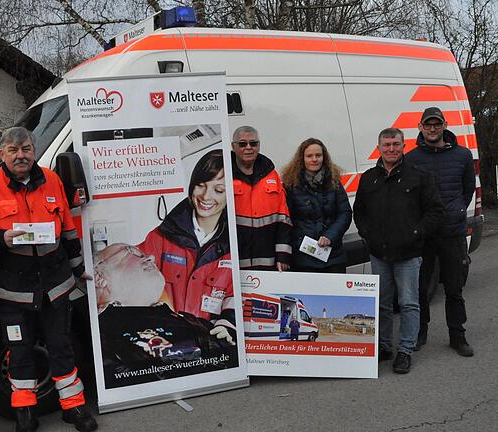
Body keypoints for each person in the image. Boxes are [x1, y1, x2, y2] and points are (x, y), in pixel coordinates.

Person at [0, 127, 97, 432]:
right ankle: (25, 411)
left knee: (61, 345)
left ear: (34, 151)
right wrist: (1, 239)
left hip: (55, 285)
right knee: (20, 349)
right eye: (13, 150)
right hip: (13, 290)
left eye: (25, 148)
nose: (20, 155)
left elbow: (67, 230)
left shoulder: (52, 180)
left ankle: (74, 407)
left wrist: (79, 271)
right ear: (2, 154)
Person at [353, 128, 443, 374]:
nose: (391, 149)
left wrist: (416, 233)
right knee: (382, 303)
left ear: (404, 145)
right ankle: (384, 346)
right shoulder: (369, 178)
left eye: (396, 144)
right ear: (379, 147)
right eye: (386, 145)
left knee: (408, 303)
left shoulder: (418, 176)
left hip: (409, 254)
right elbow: (359, 211)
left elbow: (435, 211)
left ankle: (405, 350)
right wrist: (366, 233)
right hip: (379, 253)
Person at [93, 243, 238, 387]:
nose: (150, 257)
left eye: (142, 253)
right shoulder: (98, 336)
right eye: (131, 252)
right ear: (99, 277)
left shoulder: (193, 321)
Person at [137, 150, 235, 343]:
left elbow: (235, 294)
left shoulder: (237, 244)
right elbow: (132, 273)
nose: (206, 196)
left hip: (211, 348)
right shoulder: (160, 237)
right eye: (200, 185)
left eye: (219, 190)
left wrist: (227, 324)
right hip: (163, 343)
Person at [405, 107, 476, 356]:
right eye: (428, 125)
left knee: (454, 288)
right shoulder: (411, 159)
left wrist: (456, 210)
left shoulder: (463, 155)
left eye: (437, 124)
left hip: (452, 233)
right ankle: (420, 333)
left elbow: (468, 190)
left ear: (445, 125)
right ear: (420, 127)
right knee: (421, 288)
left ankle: (457, 336)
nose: (432, 129)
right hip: (424, 235)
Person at [281, 138, 352, 273]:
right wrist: (300, 240)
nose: (314, 159)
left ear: (324, 157)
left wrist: (330, 236)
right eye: (309, 156)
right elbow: (287, 219)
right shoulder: (290, 185)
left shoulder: (334, 182)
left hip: (333, 256)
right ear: (302, 159)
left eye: (318, 155)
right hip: (303, 257)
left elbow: (345, 213)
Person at [231, 125, 292, 271]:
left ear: (258, 146)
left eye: (253, 143)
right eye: (242, 144)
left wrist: (283, 255)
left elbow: (283, 218)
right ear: (233, 146)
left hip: (268, 261)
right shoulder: (224, 175)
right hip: (236, 261)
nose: (248, 147)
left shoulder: (272, 175)